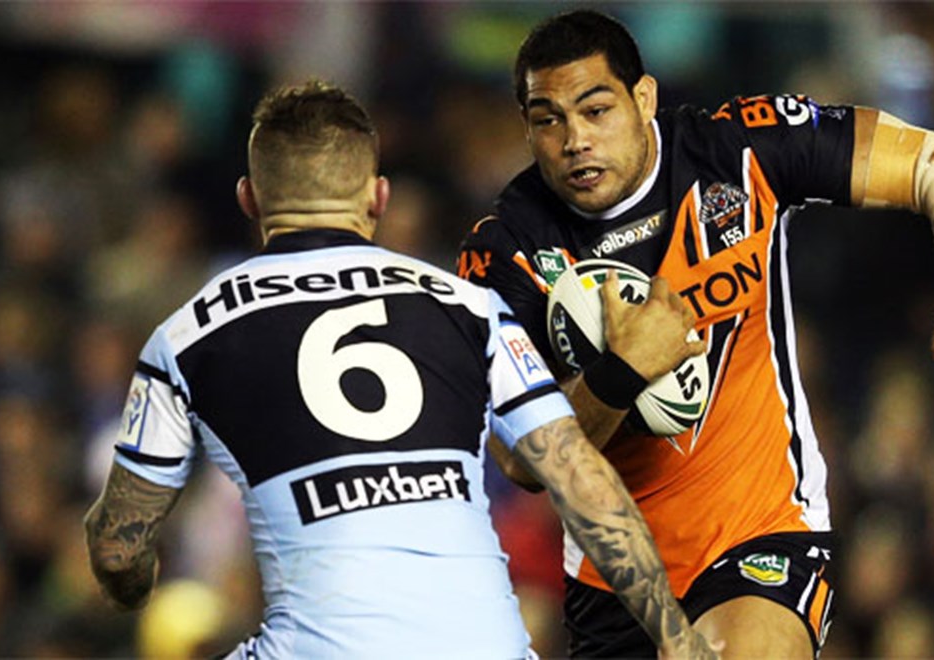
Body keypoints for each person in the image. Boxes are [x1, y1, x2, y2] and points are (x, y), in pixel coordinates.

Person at [83, 81, 716, 659]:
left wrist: (131, 586)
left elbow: (117, 548)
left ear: (249, 198)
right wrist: (676, 638)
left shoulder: (188, 335)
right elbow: (583, 482)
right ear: (378, 197)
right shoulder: (471, 308)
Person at [458, 9, 934, 659]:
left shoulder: (738, 150)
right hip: (616, 584)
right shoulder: (506, 249)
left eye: (596, 110)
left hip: (762, 536)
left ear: (644, 98)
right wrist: (623, 369)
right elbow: (519, 461)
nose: (574, 140)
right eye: (547, 120)